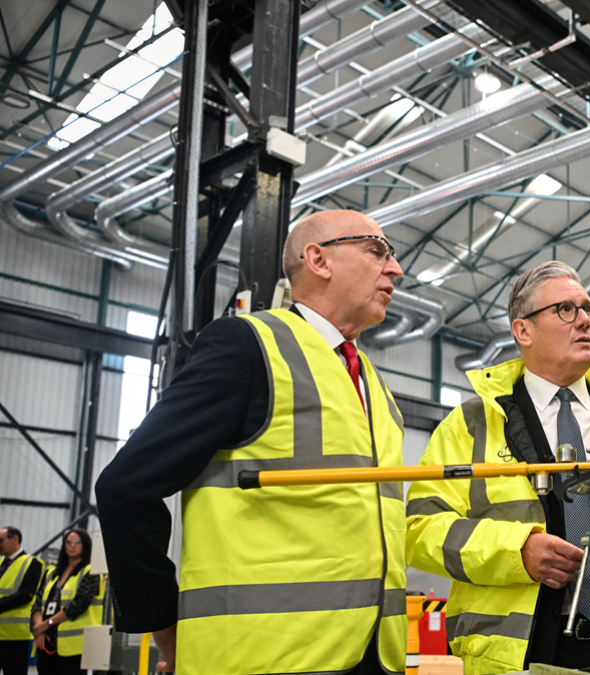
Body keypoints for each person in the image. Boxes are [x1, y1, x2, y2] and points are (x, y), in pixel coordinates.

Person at [95, 210, 409, 675]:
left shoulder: (373, 383)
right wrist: (163, 625)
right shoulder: (247, 346)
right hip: (259, 657)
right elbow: (125, 488)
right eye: (375, 250)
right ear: (318, 260)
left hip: (375, 655)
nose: (395, 268)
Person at [406, 261, 590, 673]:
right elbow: (420, 528)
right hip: (520, 651)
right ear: (522, 330)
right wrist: (516, 551)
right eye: (565, 309)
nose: (584, 321)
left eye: (588, 309)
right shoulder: (472, 424)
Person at [31, 529, 103, 675]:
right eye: (68, 542)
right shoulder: (51, 572)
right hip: (46, 643)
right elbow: (38, 603)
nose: (72, 546)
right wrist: (39, 629)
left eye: (77, 543)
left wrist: (46, 624)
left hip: (73, 647)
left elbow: (78, 605)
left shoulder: (90, 571)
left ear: (85, 546)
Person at [0, 527, 45, 675]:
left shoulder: (32, 563)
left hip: (15, 635)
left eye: (1, 540)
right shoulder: (1, 562)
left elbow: (26, 594)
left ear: (15, 539)